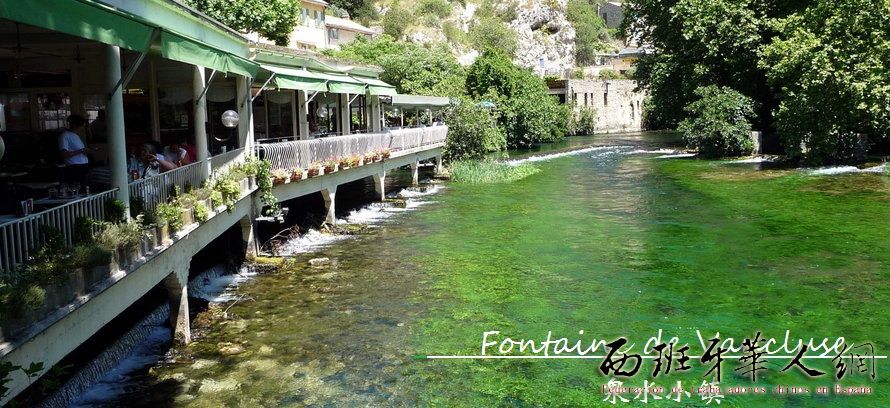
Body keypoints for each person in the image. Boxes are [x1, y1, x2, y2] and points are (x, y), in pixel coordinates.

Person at [59, 114, 91, 182]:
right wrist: (82, 150)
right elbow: (64, 154)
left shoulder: (76, 136)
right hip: (74, 168)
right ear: (75, 125)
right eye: (81, 125)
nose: (82, 128)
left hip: (83, 166)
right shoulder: (65, 135)